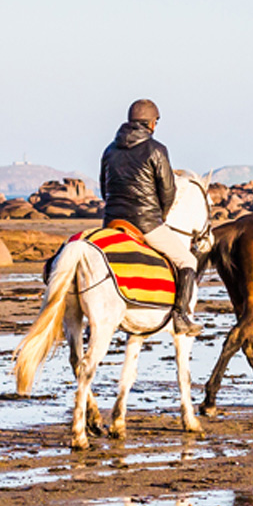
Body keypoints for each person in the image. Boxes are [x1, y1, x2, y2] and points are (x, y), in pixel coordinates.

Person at [99, 98, 199, 335]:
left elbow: (104, 189)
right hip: (144, 223)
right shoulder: (156, 149)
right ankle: (180, 316)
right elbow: (168, 190)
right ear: (151, 123)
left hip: (111, 222)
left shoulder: (109, 150)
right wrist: (159, 217)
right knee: (188, 261)